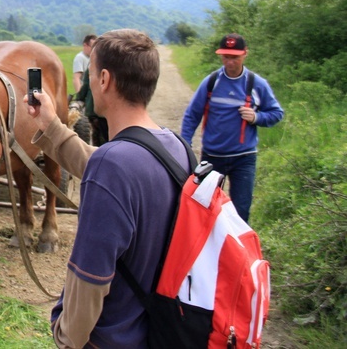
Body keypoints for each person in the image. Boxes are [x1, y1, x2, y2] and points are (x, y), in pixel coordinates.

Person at [25, 29, 192, 348]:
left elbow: (90, 277)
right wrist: (51, 125)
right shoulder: (176, 147)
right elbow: (111, 166)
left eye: (89, 73)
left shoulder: (113, 167)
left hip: (111, 340)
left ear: (103, 80)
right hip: (160, 328)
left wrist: (66, 336)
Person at [181, 33, 283, 223]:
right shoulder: (212, 82)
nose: (229, 62)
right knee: (205, 207)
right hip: (213, 157)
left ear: (245, 54)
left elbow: (277, 113)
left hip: (243, 158)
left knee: (241, 210)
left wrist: (256, 117)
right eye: (226, 57)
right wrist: (185, 146)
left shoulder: (256, 84)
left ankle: (238, 251)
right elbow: (192, 115)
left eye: (234, 57)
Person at [73, 67, 109, 146]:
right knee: (106, 137)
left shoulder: (92, 67)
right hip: (106, 111)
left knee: (96, 136)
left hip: (92, 110)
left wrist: (78, 98)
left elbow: (85, 87)